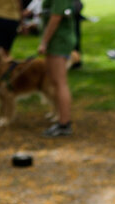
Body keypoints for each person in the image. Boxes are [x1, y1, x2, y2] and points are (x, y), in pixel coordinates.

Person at [38, 0, 75, 137]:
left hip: (59, 41)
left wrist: (44, 42)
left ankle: (64, 123)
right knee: (55, 82)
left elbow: (56, 17)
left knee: (60, 83)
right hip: (55, 41)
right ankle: (62, 120)